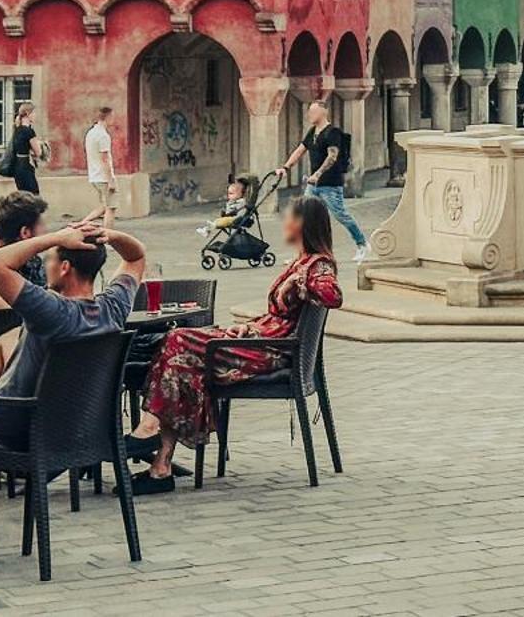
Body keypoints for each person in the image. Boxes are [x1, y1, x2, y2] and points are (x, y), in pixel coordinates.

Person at [0, 217, 146, 557]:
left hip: (16, 432)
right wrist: (107, 235)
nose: (44, 265)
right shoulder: (113, 309)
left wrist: (55, 236)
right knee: (9, 342)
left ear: (64, 267)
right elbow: (136, 257)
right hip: (79, 434)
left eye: (50, 259)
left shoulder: (48, 309)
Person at [127, 197, 344, 491]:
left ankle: (151, 435)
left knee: (177, 341)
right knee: (177, 360)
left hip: (267, 352)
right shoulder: (301, 261)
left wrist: (300, 282)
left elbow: (332, 295)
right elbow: (279, 315)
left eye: (289, 217)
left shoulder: (317, 265)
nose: (284, 222)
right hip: (258, 340)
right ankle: (160, 464)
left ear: (303, 224)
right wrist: (250, 325)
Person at [274, 98, 369, 261]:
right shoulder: (312, 132)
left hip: (330, 185)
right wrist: (285, 167)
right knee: (304, 217)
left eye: (313, 111)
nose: (310, 114)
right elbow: (300, 150)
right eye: (309, 111)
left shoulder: (333, 132)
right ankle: (303, 254)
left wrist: (317, 174)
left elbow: (332, 156)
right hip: (313, 186)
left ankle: (362, 244)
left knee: (341, 215)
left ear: (323, 112)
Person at [84, 105, 117, 227]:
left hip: (94, 175)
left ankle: (82, 223)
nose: (114, 119)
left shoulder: (91, 133)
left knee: (103, 206)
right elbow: (105, 159)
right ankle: (107, 236)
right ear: (107, 117)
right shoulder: (103, 136)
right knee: (111, 208)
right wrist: (111, 180)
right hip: (103, 177)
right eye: (112, 116)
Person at [4, 102, 46, 194]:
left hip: (17, 167)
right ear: (28, 114)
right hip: (26, 166)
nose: (35, 116)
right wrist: (42, 146)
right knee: (34, 195)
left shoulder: (17, 130)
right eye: (34, 113)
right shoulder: (29, 131)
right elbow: (38, 152)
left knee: (24, 196)